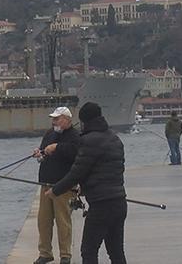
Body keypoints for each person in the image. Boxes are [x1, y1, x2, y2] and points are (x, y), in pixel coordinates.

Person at [46, 102, 127, 264]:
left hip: (100, 205)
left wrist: (56, 190)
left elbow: (77, 172)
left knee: (89, 251)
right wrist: (85, 187)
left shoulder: (89, 141)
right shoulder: (115, 139)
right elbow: (113, 170)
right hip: (119, 201)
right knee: (116, 251)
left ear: (85, 121)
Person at [32, 106, 80, 264]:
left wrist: (57, 147)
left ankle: (65, 255)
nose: (54, 122)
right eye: (53, 119)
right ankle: (45, 253)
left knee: (63, 221)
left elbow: (75, 152)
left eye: (57, 119)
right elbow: (43, 152)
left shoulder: (74, 135)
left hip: (64, 186)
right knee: (43, 221)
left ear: (67, 119)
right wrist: (39, 153)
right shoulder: (49, 134)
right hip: (46, 183)